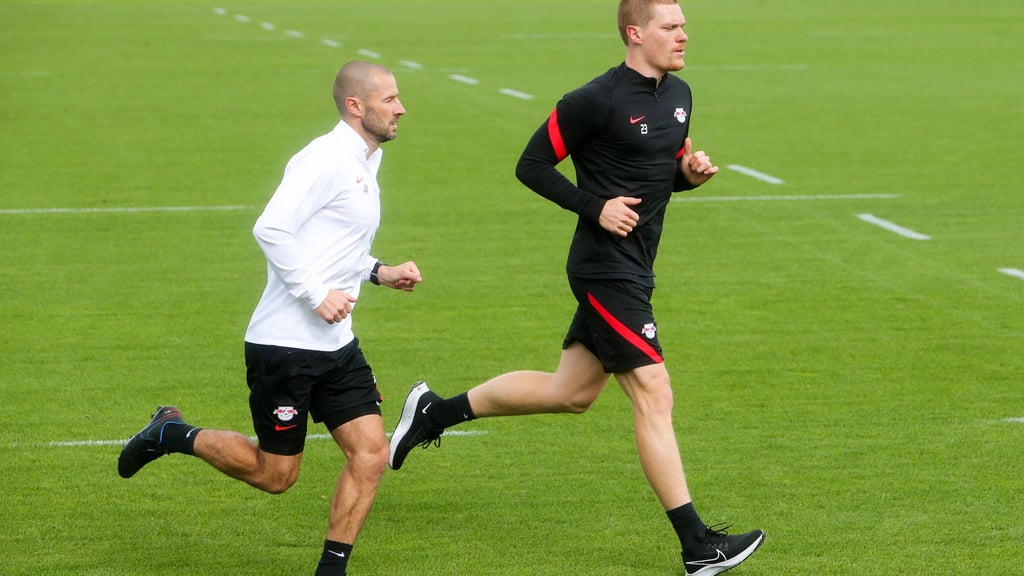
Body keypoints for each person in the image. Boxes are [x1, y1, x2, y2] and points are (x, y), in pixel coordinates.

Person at [388, 2, 763, 575]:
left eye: (683, 25)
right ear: (635, 34)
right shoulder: (594, 100)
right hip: (604, 268)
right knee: (654, 393)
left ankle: (433, 413)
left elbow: (652, 175)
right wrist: (595, 206)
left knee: (571, 392)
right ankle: (697, 546)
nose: (684, 35)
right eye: (671, 27)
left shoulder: (680, 96)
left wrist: (686, 177)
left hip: (637, 265)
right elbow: (532, 164)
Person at [118, 61, 421, 576]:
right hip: (285, 345)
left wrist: (378, 271)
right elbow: (272, 228)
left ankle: (331, 570)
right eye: (390, 99)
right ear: (355, 106)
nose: (401, 108)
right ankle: (169, 432)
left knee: (370, 453)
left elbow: (332, 242)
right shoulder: (324, 158)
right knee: (276, 475)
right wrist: (315, 295)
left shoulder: (367, 160)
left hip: (337, 344)